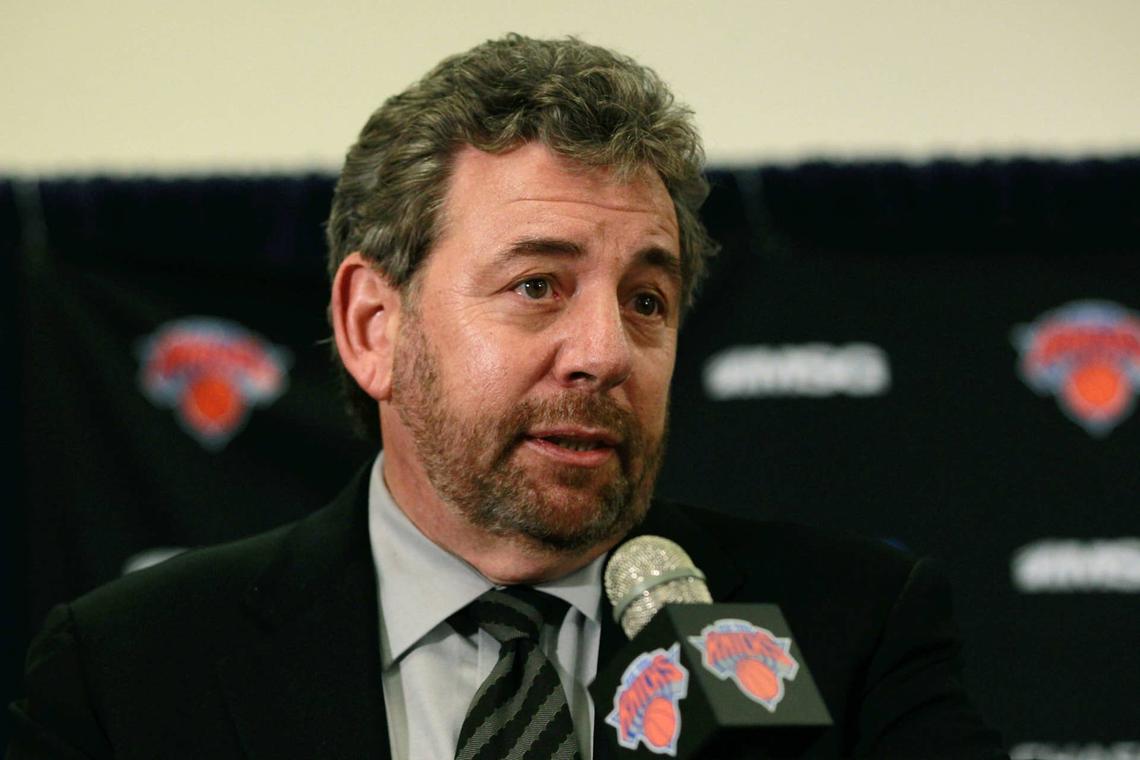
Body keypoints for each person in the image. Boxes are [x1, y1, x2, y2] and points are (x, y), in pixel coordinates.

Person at [8, 34, 1006, 759]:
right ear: (373, 326)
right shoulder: (131, 673)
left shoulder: (845, 636)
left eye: (646, 300)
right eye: (537, 285)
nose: (605, 352)